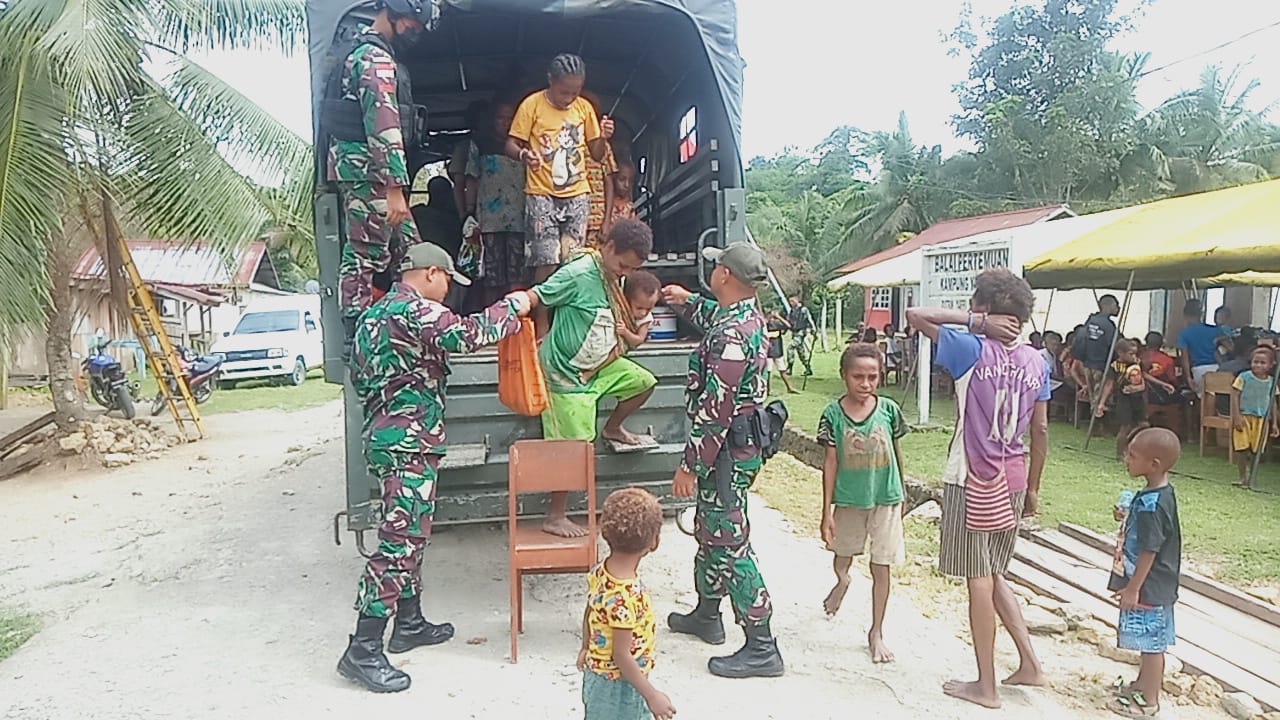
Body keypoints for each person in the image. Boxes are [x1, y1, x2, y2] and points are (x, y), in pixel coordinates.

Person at [337, 243, 532, 693]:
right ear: (429, 273)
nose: (448, 291)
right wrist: (513, 304)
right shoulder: (410, 310)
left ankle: (409, 621)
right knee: (399, 543)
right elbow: (466, 335)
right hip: (406, 443)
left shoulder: (374, 315)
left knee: (414, 532)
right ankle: (363, 649)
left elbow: (362, 377)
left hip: (395, 438)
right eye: (446, 281)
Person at [905, 268, 1049, 710]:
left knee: (979, 579)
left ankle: (986, 686)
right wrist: (1034, 488)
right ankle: (1030, 664)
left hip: (973, 476)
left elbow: (915, 314)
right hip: (1014, 475)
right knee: (996, 570)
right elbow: (1041, 430)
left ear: (983, 310)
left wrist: (976, 324)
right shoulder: (1038, 361)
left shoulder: (970, 346)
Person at [663, 242, 784, 679]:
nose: (712, 269)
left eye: (716, 265)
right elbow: (716, 317)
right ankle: (707, 615)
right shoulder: (745, 316)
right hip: (735, 449)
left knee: (729, 541)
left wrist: (689, 465)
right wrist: (685, 301)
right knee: (710, 529)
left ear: (726, 276)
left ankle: (761, 645)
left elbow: (717, 409)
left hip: (725, 453)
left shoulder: (733, 334)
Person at [532, 219, 658, 537]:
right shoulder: (578, 273)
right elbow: (541, 297)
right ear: (609, 247)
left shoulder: (613, 276)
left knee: (643, 382)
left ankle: (614, 429)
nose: (624, 274)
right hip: (565, 374)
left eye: (631, 269)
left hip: (599, 368)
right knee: (574, 446)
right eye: (622, 265)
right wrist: (542, 334)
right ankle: (555, 516)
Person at [324, 0, 435, 352]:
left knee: (412, 252)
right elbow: (383, 126)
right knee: (365, 254)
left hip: (366, 171)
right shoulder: (374, 59)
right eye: (414, 27)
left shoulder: (361, 50)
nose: (415, 35)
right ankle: (357, 337)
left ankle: (415, 321)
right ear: (396, 14)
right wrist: (394, 188)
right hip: (369, 174)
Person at [507, 53, 616, 336]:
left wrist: (603, 137)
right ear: (550, 81)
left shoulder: (584, 109)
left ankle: (567, 324)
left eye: (575, 91)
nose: (569, 97)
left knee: (573, 260)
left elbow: (596, 154)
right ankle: (542, 323)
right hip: (541, 192)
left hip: (578, 194)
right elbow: (511, 143)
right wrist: (524, 154)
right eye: (564, 91)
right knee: (545, 261)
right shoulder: (532, 105)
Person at [818, 343, 907, 664]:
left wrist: (904, 491)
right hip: (849, 499)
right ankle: (842, 583)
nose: (865, 384)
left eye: (872, 377)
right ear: (844, 376)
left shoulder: (889, 410)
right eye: (858, 377)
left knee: (881, 565)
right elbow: (830, 463)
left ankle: (876, 631)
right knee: (842, 558)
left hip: (886, 497)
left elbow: (897, 452)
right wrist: (826, 511)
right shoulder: (832, 415)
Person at [577, 488, 675, 720]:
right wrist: (652, 695)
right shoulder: (627, 595)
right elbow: (621, 655)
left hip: (601, 676)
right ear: (655, 542)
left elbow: (591, 610)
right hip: (619, 683)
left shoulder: (602, 570)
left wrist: (585, 646)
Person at [1106, 427, 1182, 719]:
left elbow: (1151, 548)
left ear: (1154, 464)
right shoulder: (1155, 494)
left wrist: (1134, 588)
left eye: (1132, 455)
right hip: (1148, 582)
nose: (1126, 458)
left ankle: (1148, 701)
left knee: (1152, 644)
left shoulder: (1154, 503)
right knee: (1146, 639)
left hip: (1150, 585)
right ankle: (1140, 686)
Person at [475, 98, 530, 305]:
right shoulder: (480, 145)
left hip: (520, 220)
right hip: (489, 222)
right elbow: (470, 181)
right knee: (491, 276)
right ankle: (490, 321)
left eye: (510, 119)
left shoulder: (525, 147)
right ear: (492, 120)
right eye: (500, 118)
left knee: (517, 276)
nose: (505, 123)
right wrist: (468, 214)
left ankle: (515, 324)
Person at [582, 269, 661, 382]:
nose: (643, 313)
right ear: (626, 300)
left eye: (649, 309)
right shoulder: (620, 307)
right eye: (639, 308)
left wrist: (625, 332)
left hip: (622, 345)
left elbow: (638, 340)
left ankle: (590, 374)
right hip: (603, 340)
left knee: (615, 352)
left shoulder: (646, 319)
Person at [1231, 346, 1280, 489]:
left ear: (1271, 365)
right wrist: (1237, 417)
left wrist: (1274, 423)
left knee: (1256, 450)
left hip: (1262, 420)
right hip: (1245, 416)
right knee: (1242, 448)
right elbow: (1235, 396)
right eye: (1255, 362)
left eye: (1262, 363)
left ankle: (1252, 478)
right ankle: (1242, 477)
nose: (1258, 365)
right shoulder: (1244, 377)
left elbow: (1273, 403)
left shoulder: (1271, 382)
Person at [1097, 339, 1149, 460]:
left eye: (1135, 353)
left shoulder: (1137, 363)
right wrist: (1101, 403)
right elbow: (1109, 384)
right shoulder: (1115, 366)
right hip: (1124, 398)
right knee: (1125, 426)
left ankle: (1129, 443)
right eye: (1131, 354)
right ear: (1121, 353)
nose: (1133, 356)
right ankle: (1120, 453)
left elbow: (1144, 377)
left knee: (1144, 425)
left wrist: (1162, 384)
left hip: (1138, 397)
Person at [1073, 294, 1120, 410]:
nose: (1118, 308)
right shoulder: (1109, 326)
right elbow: (1115, 346)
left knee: (1093, 397)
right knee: (1101, 399)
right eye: (1116, 305)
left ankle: (1095, 422)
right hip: (1100, 365)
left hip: (1087, 365)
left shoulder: (1090, 321)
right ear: (1108, 306)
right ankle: (1098, 425)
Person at [1176, 299, 1224, 394]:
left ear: (1185, 315)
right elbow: (1229, 347)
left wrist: (1189, 378)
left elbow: (1185, 358)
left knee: (1203, 401)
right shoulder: (1215, 330)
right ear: (1201, 314)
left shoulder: (1184, 334)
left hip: (1199, 370)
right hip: (1218, 368)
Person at [1141, 332, 1182, 405]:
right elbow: (1172, 379)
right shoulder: (1167, 360)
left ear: (1146, 341)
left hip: (1140, 396)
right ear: (1161, 343)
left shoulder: (1138, 357)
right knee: (1184, 398)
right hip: (1160, 395)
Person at [766, 311, 796, 394]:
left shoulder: (778, 324)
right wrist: (769, 317)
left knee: (782, 369)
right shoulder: (765, 325)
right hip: (768, 352)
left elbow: (788, 326)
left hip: (777, 351)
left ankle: (790, 388)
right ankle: (767, 390)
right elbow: (763, 323)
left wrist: (779, 317)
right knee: (768, 371)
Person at [786, 295, 815, 377]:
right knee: (801, 352)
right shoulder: (792, 310)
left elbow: (809, 319)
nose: (791, 303)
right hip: (794, 332)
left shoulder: (803, 310)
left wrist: (813, 329)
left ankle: (789, 367)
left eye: (792, 301)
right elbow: (790, 320)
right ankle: (808, 368)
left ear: (797, 300)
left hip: (801, 332)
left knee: (790, 347)